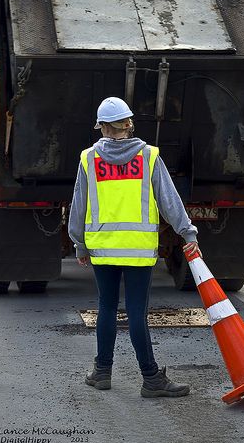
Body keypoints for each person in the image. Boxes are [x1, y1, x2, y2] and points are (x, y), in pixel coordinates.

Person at [69, 97, 201, 398]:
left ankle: (102, 372)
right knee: (136, 313)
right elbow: (169, 200)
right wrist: (187, 234)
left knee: (106, 307)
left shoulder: (89, 159)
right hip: (139, 251)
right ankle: (151, 379)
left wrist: (79, 243)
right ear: (128, 125)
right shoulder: (149, 156)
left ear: (103, 126)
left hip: (102, 249)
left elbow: (79, 204)